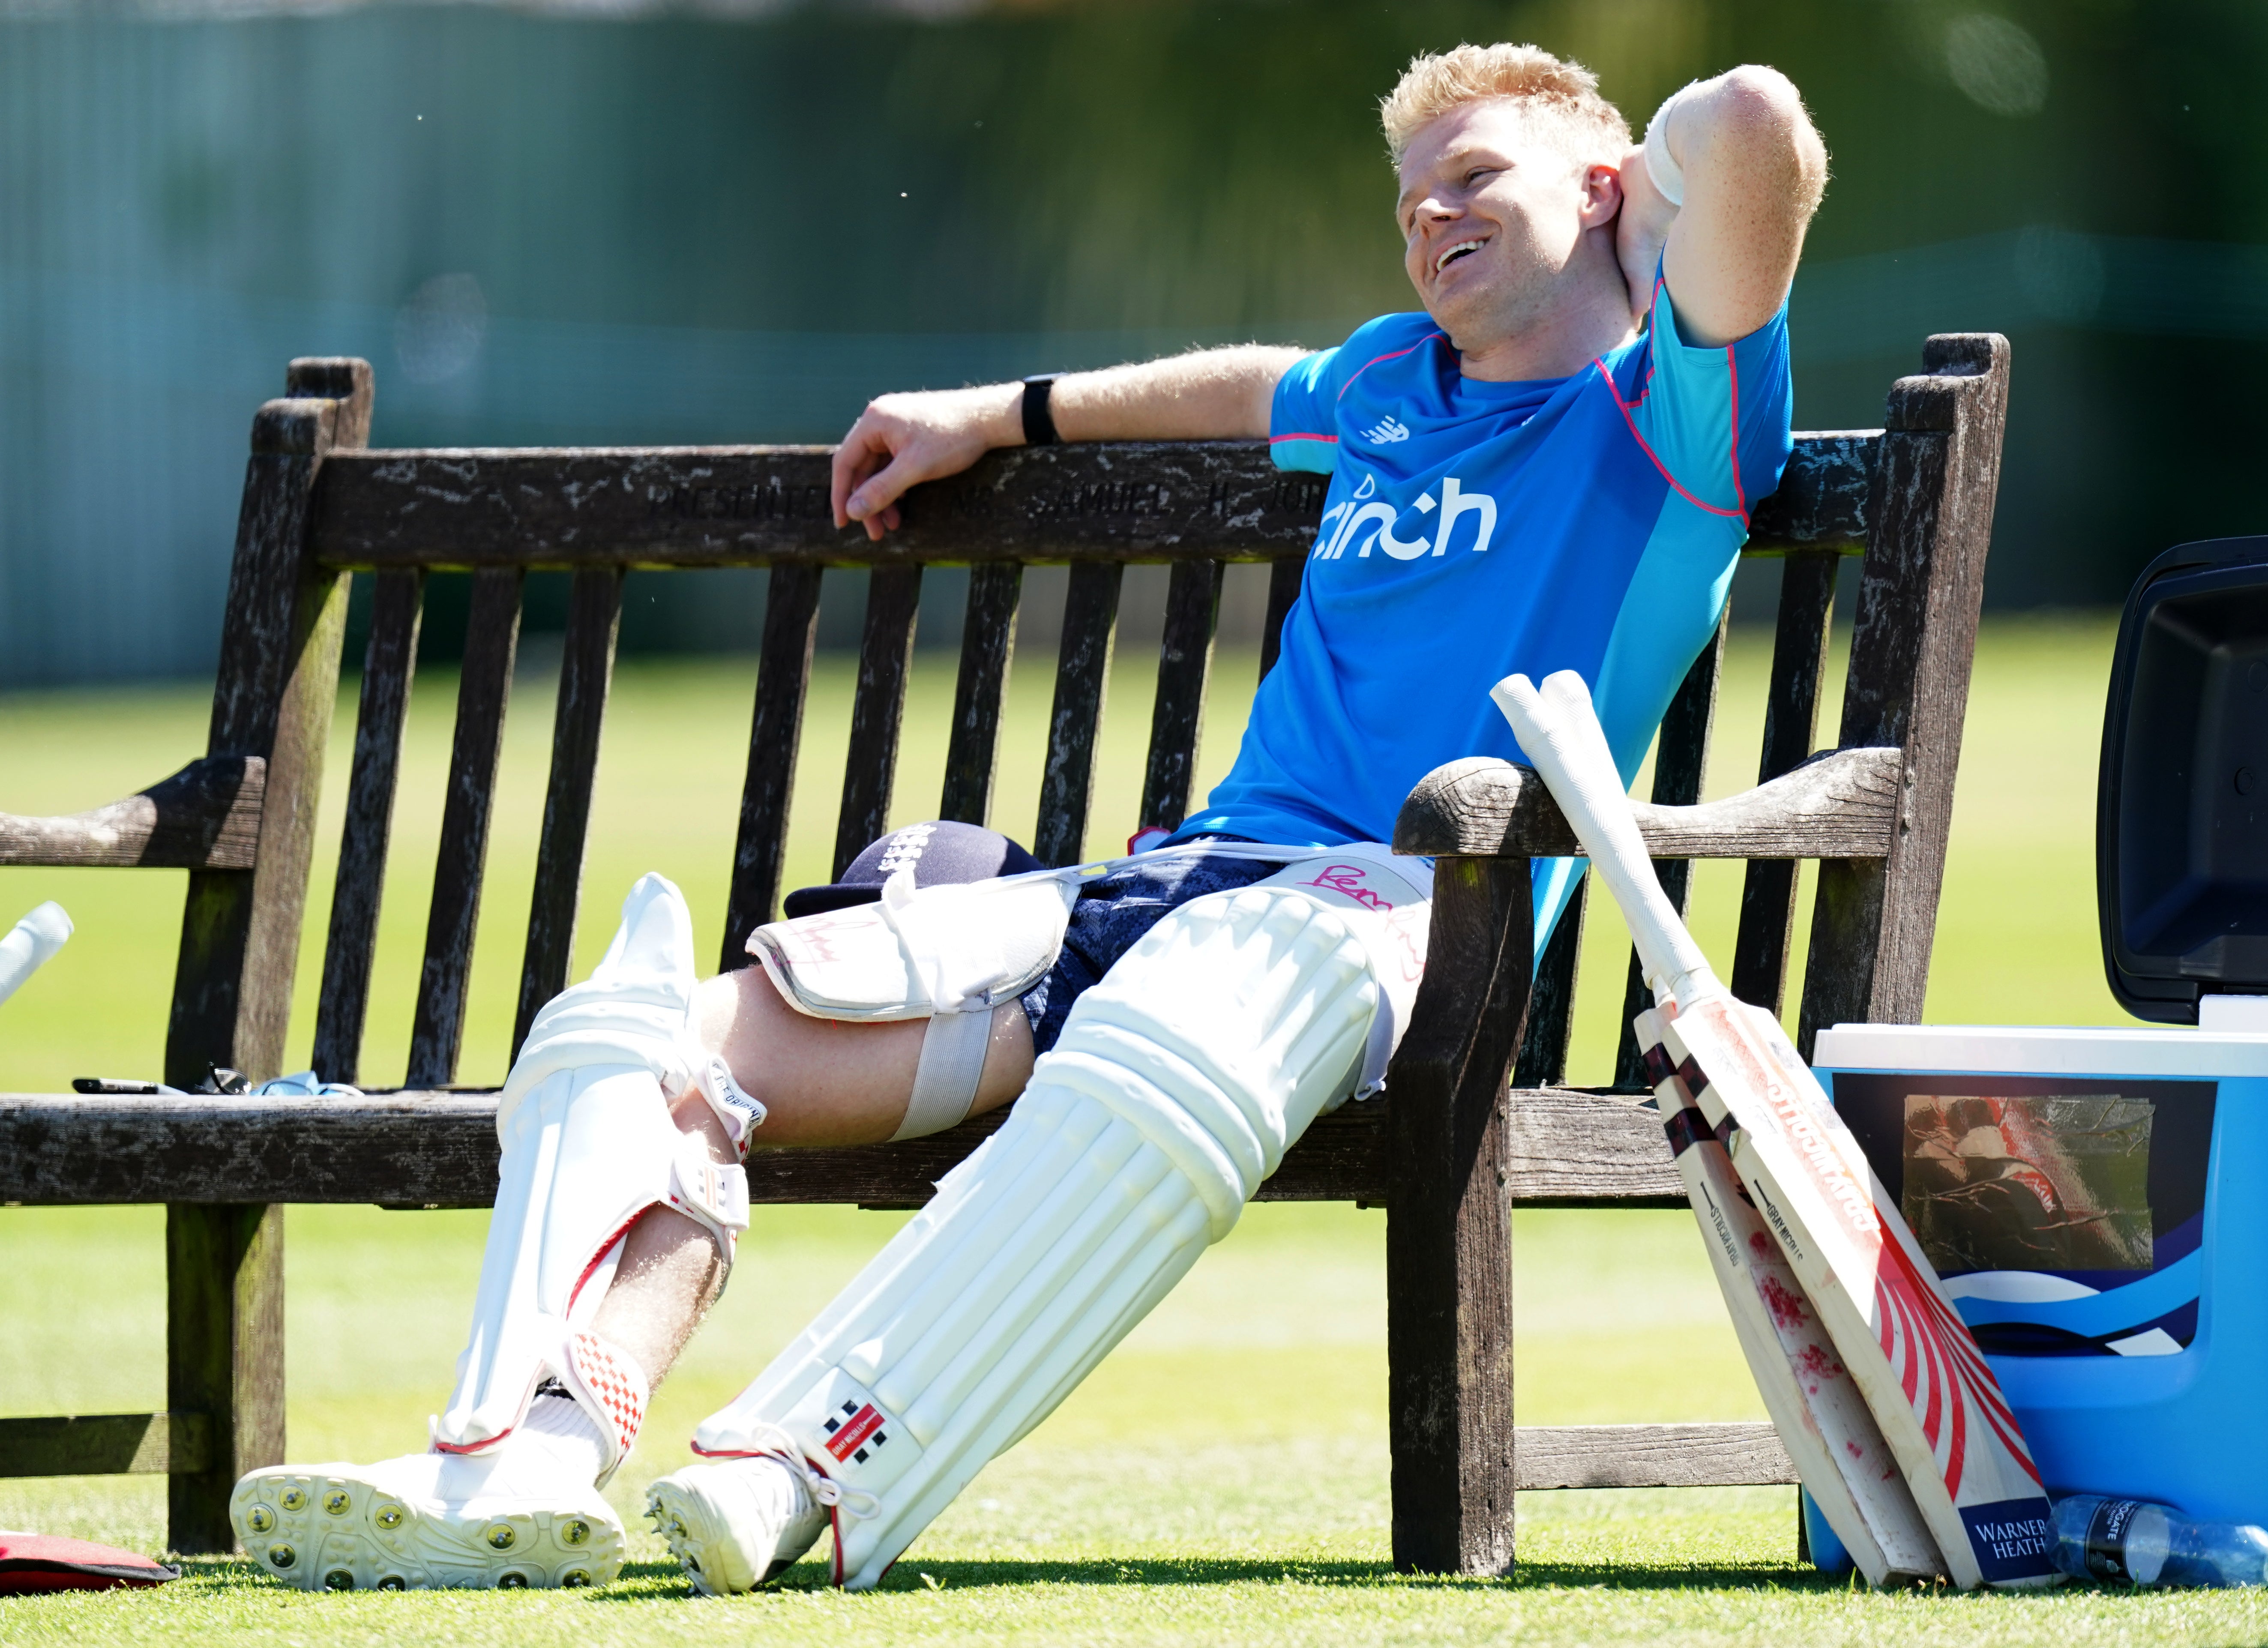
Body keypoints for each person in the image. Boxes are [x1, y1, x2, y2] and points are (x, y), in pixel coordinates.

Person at [229, 41, 1827, 1594]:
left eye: (1473, 176)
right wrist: (1004, 411)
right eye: (1409, 193)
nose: (1427, 213)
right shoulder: (1387, 381)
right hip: (1182, 883)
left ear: (1609, 190)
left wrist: (1632, 207)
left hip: (1403, 920)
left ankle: (803, 1468)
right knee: (631, 1037)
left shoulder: (1670, 418)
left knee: (1177, 1027)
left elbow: (1753, 121)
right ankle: (519, 1462)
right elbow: (1250, 383)